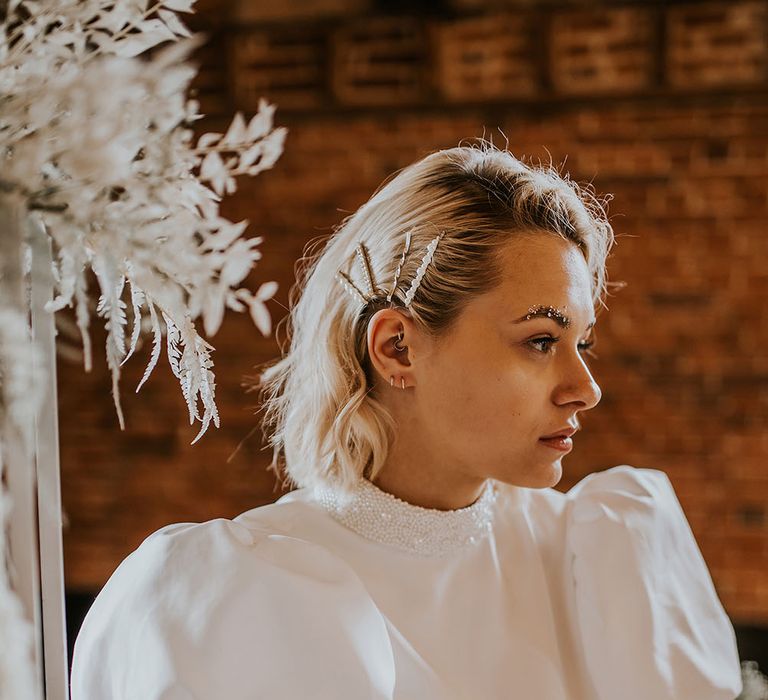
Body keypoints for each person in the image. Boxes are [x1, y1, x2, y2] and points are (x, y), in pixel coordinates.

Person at [70, 142, 745, 699]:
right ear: (397, 347)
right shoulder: (237, 599)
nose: (585, 388)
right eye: (541, 341)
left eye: (582, 343)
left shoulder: (597, 562)